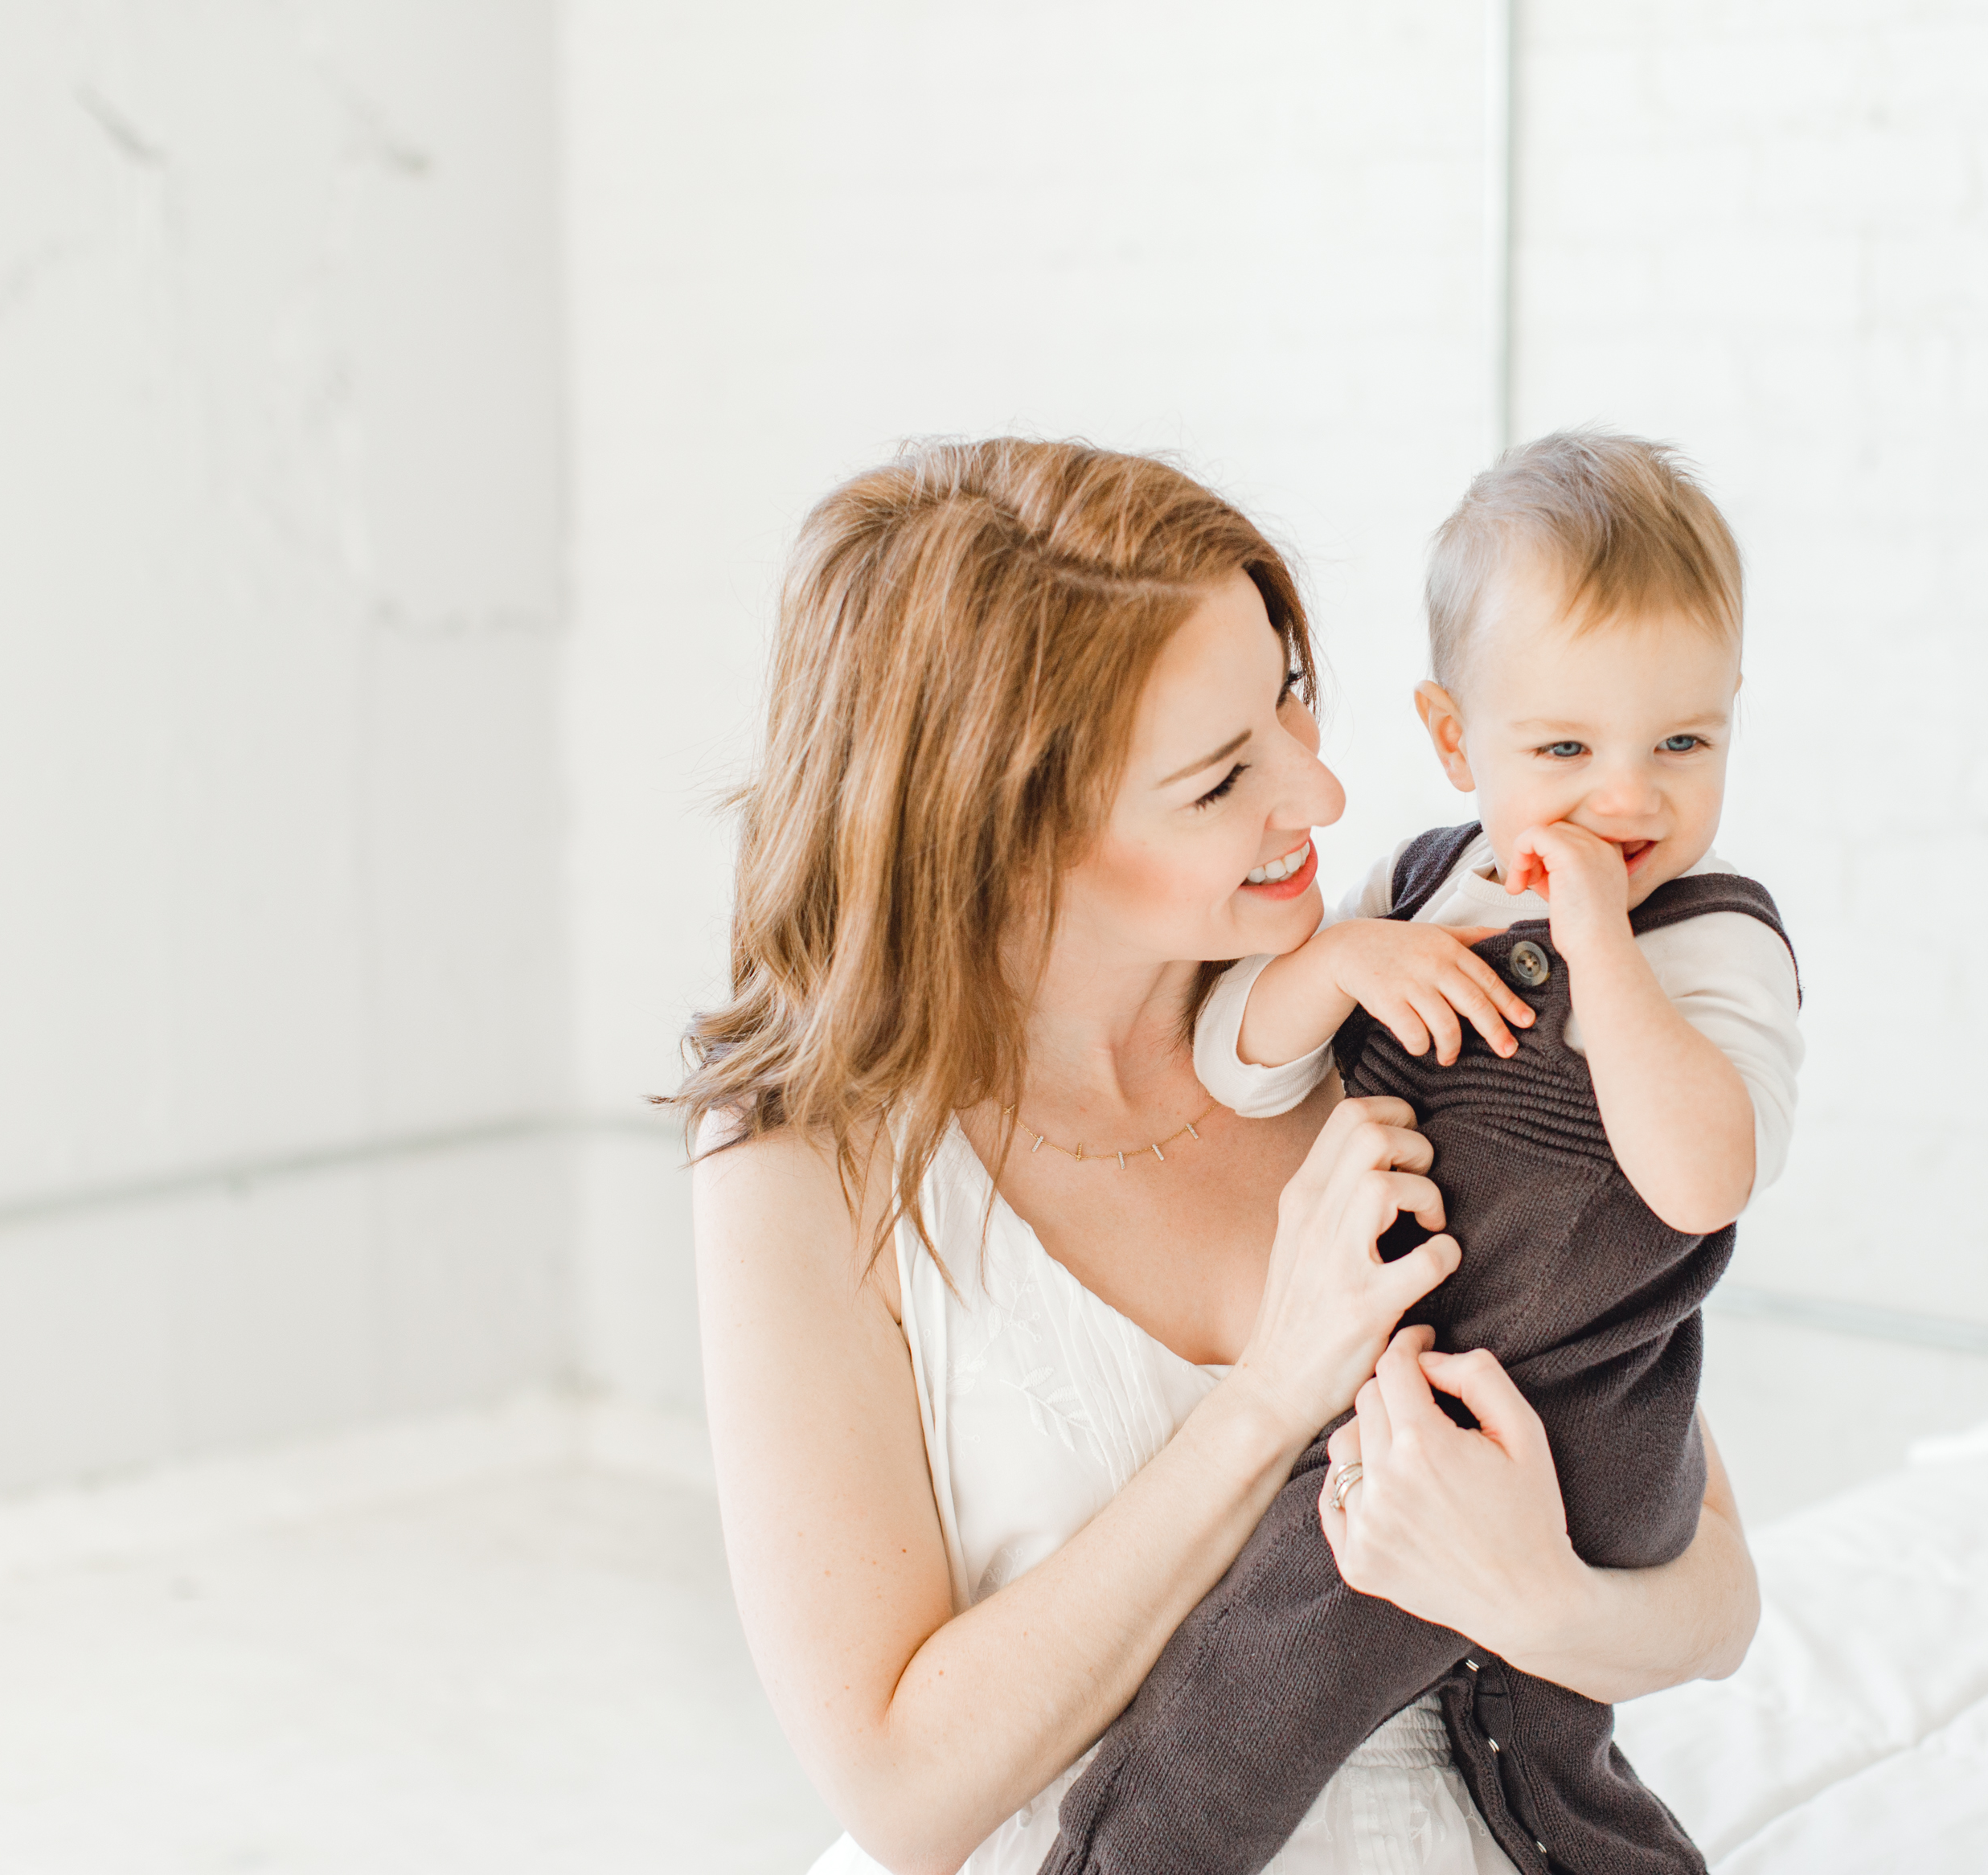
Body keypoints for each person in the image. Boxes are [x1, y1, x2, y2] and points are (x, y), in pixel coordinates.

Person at [674, 437, 1761, 1875]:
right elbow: (902, 1793)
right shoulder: (805, 1168)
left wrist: (1540, 1601)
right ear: (1005, 836)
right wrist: (1268, 1398)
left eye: (1289, 696)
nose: (1322, 793)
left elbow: (1719, 1587)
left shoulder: (1395, 1007)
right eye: (1218, 779)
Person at [1039, 432, 1801, 1874]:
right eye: (1565, 750)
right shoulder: (1417, 882)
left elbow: (1705, 1182)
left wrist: (1600, 948)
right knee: (1528, 1736)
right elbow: (1238, 1062)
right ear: (1456, 740)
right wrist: (1340, 965)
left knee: (1265, 1658)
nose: (1627, 799)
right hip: (1431, 1383)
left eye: (1682, 744)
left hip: (1578, 1416)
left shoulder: (1715, 945)